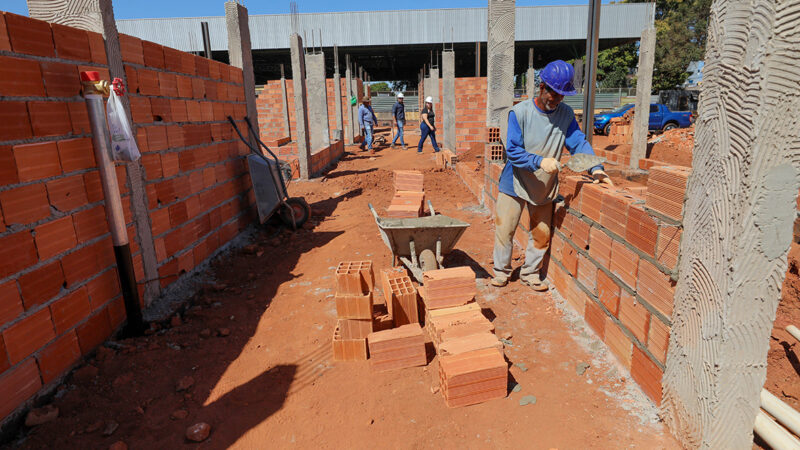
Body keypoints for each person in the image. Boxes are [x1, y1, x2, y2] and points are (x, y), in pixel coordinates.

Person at [491, 60, 613, 291]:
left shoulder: (565, 114)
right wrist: (539, 161)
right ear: (542, 87)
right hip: (514, 181)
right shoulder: (519, 113)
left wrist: (595, 168)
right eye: (553, 94)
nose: (555, 100)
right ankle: (501, 272)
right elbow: (513, 151)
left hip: (543, 186)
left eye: (561, 96)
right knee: (504, 230)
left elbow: (578, 142)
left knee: (541, 234)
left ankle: (530, 273)